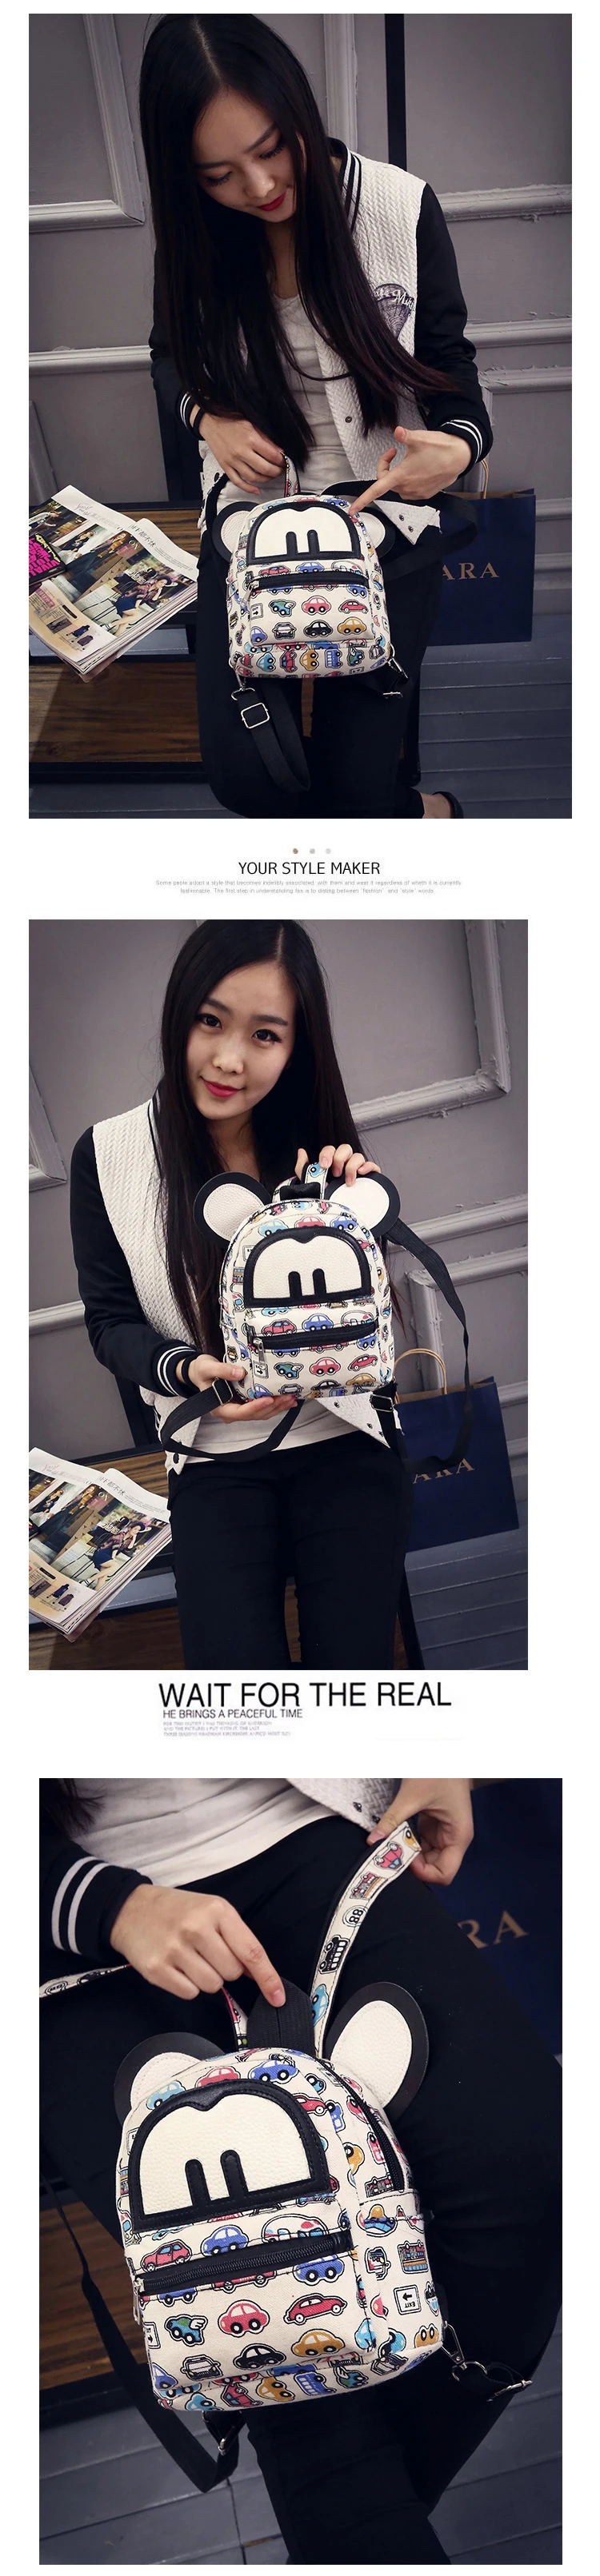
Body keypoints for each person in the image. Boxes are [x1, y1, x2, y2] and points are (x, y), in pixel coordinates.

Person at [40, 1775, 562, 2568]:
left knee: (527, 2176)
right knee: (257, 2312)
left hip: (308, 1824)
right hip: (70, 1912)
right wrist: (109, 1906)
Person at [140, 14, 492, 820]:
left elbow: (454, 376)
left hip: (386, 517)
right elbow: (167, 356)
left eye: (272, 148)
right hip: (251, 515)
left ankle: (430, 815)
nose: (259, 186)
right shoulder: (193, 236)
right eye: (220, 174)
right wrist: (210, 420)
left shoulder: (399, 207)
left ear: (298, 105)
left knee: (358, 794)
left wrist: (455, 449)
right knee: (251, 782)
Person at [70, 919, 416, 1670]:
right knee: (233, 1693)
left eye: (265, 1035)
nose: (229, 1059)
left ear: (296, 1047)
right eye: (210, 1020)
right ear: (179, 1014)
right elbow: (110, 1322)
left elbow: (359, 1316)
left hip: (343, 1434)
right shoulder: (109, 1154)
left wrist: (354, 1204)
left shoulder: (313, 1143)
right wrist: (188, 1371)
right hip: (212, 1454)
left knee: (351, 1677)